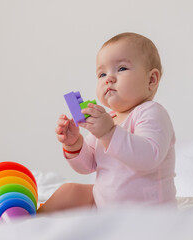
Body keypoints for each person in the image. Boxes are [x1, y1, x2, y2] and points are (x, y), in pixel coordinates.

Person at [37, 32, 176, 214]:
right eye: (102, 74)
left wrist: (108, 133)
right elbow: (88, 166)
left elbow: (149, 156)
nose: (109, 78)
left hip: (147, 211)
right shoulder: (107, 119)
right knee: (69, 191)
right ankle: (31, 220)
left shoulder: (151, 112)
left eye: (122, 69)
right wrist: (74, 145)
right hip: (105, 206)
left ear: (151, 80)